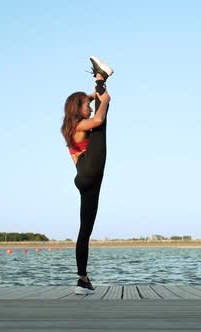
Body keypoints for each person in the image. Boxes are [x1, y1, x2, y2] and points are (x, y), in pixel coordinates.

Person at [61, 56, 114, 294]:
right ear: (77, 109)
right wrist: (105, 100)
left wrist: (95, 92)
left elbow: (88, 102)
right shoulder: (81, 125)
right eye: (86, 105)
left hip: (84, 178)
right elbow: (99, 119)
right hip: (90, 170)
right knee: (100, 125)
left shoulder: (70, 127)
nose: (89, 107)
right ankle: (101, 76)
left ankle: (82, 279)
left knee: (85, 230)